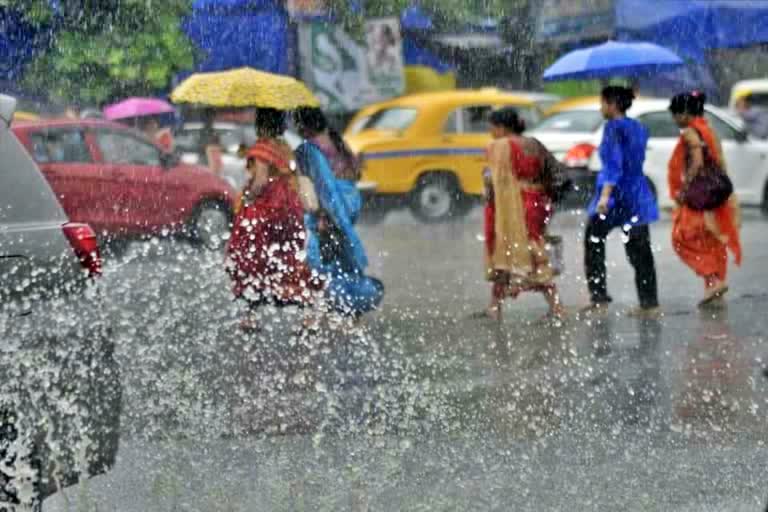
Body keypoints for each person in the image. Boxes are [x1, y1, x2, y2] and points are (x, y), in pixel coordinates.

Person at [225, 138, 320, 332]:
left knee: (254, 261)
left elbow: (260, 181)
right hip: (288, 204)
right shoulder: (283, 147)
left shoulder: (261, 149)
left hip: (269, 206)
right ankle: (309, 318)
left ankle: (250, 318)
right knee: (289, 260)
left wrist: (248, 196)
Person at [479, 107, 566, 322]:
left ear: (501, 127)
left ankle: (557, 308)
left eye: (492, 126)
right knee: (531, 249)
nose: (490, 130)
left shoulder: (499, 146)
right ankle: (494, 305)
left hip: (516, 205)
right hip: (537, 202)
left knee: (513, 250)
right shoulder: (533, 143)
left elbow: (493, 182)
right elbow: (554, 172)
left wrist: (488, 194)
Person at [293, 115, 384, 319]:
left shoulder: (308, 149)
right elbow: (355, 174)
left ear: (303, 127)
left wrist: (323, 214)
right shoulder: (337, 142)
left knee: (321, 262)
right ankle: (351, 314)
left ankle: (316, 316)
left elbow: (317, 187)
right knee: (345, 259)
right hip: (349, 204)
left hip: (328, 211)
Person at [582, 86, 660, 317]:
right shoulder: (638, 127)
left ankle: (599, 298)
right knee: (640, 249)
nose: (601, 107)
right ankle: (650, 303)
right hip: (637, 194)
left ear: (612, 104)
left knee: (594, 241)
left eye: (603, 103)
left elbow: (614, 165)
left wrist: (605, 197)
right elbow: (633, 159)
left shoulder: (613, 128)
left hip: (616, 195)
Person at [668, 91, 742, 307]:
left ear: (683, 114)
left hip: (700, 196)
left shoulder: (691, 132)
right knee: (710, 239)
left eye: (674, 114)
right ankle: (713, 286)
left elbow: (698, 163)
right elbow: (718, 161)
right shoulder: (708, 129)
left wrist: (684, 191)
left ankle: (713, 279)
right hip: (715, 193)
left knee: (682, 237)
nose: (674, 119)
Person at [293, 107, 362, 221]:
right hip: (352, 202)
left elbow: (304, 183)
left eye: (297, 123)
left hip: (329, 208)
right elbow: (357, 171)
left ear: (303, 125)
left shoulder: (307, 149)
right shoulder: (336, 139)